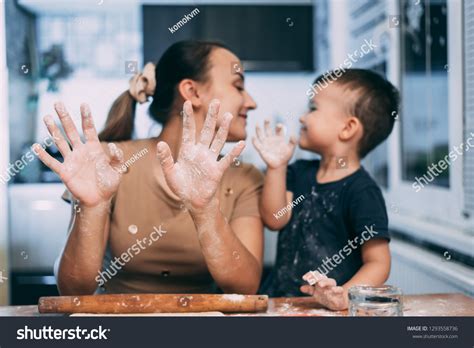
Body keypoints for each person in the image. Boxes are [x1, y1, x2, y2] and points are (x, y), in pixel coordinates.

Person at [33, 40, 264, 295]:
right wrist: (92, 207)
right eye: (239, 86)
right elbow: (73, 290)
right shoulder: (111, 163)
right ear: (192, 91)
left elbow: (246, 287)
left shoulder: (245, 177)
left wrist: (206, 211)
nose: (251, 102)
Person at [253, 69, 398, 310]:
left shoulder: (362, 191)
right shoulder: (298, 172)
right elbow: (274, 219)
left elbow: (378, 262)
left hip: (328, 311)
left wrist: (344, 296)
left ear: (348, 128)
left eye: (312, 108)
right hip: (282, 303)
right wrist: (276, 167)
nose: (302, 118)